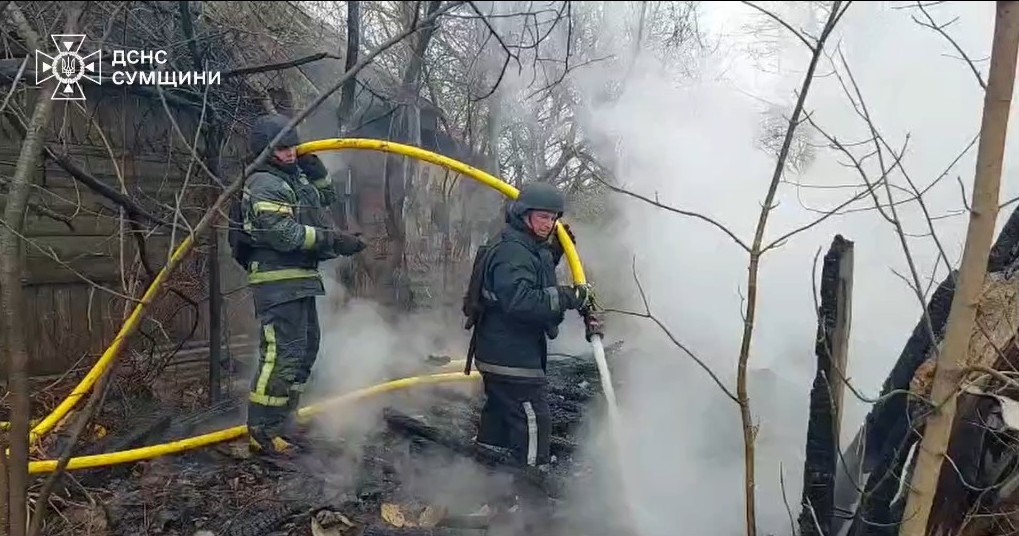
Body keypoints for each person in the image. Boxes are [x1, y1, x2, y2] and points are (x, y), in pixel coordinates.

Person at [462, 181, 604, 514]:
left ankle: (493, 497)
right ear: (523, 214)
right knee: (533, 424)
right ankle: (530, 506)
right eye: (542, 217)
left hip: (500, 353)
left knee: (498, 422)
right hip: (511, 358)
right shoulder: (512, 252)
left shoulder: (521, 246)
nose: (549, 224)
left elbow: (532, 276)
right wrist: (572, 297)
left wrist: (553, 252)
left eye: (553, 218)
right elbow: (523, 301)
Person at [231, 113, 368, 457]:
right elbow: (284, 233)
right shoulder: (264, 182)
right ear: (265, 150)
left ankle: (284, 423)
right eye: (282, 149)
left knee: (304, 351)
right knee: (281, 355)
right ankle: (262, 431)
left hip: (300, 280)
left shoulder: (292, 178)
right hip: (277, 282)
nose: (290, 154)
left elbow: (322, 203)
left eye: (293, 147)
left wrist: (317, 174)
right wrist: (333, 241)